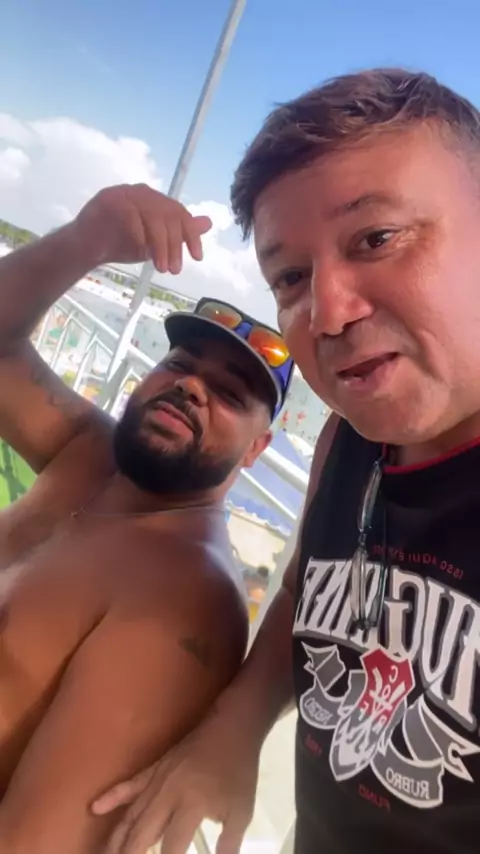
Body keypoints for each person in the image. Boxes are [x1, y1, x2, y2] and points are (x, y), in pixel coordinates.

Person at [93, 68, 480, 854]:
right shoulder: (349, 441)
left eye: (377, 238)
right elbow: (305, 581)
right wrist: (233, 728)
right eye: (291, 278)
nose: (327, 313)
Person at [0, 184, 294, 852]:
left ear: (256, 449)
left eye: (228, 394)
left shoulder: (184, 601)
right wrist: (85, 241)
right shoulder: (90, 453)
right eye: (180, 365)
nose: (191, 385)